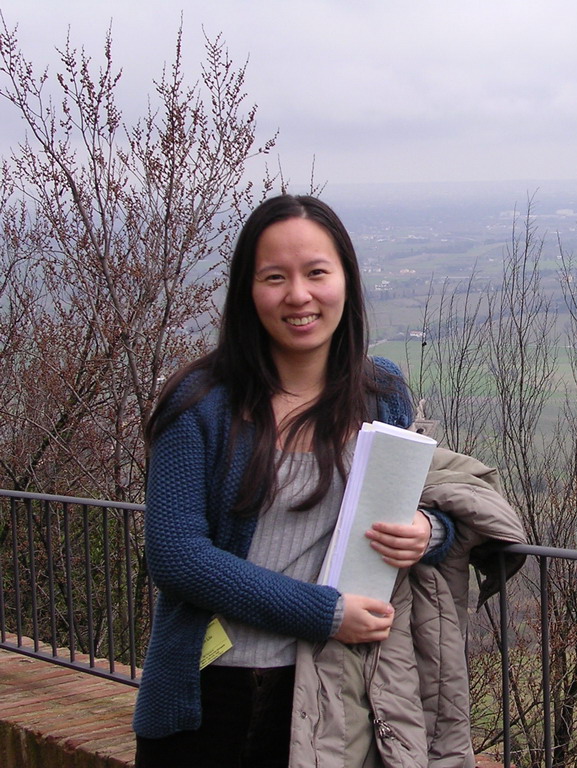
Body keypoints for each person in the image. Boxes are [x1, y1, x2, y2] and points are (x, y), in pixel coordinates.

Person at [133, 194, 458, 767]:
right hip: (208, 698)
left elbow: (431, 498)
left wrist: (427, 531)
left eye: (316, 273)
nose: (298, 295)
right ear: (247, 291)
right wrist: (326, 613)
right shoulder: (201, 403)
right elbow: (175, 556)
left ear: (346, 282)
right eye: (275, 277)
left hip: (330, 696)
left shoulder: (380, 394)